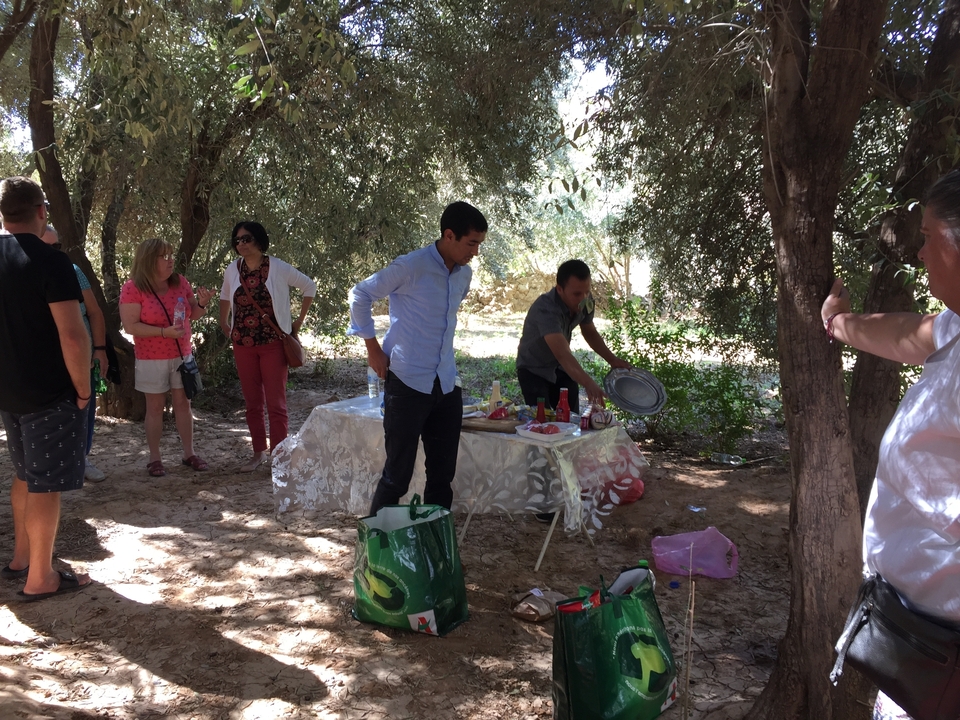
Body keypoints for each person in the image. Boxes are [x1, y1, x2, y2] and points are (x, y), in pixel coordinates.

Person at [821, 170, 960, 720]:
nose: (920, 252)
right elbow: (907, 333)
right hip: (915, 636)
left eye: (928, 236)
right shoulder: (956, 326)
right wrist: (837, 324)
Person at [348, 201, 487, 514]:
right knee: (396, 477)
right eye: (471, 243)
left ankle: (434, 552)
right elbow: (360, 294)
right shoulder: (411, 266)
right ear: (449, 235)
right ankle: (376, 553)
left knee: (441, 478)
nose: (475, 252)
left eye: (479, 244)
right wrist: (372, 349)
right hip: (407, 383)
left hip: (446, 385)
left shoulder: (464, 275)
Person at [0, 176, 93, 599]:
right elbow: (73, 337)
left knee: (24, 474)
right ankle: (41, 577)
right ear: (41, 211)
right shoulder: (53, 262)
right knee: (44, 485)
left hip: (8, 391)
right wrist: (84, 390)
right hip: (49, 393)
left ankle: (21, 557)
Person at [219, 221, 316, 472]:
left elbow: (309, 286)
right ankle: (257, 453)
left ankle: (280, 457)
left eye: (247, 238)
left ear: (259, 240)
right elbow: (225, 296)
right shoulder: (232, 269)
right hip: (243, 344)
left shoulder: (278, 267)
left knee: (276, 403)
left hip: (273, 343)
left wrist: (298, 321)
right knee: (252, 403)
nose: (242, 244)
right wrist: (224, 323)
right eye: (237, 240)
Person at [119, 238, 215, 477]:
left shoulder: (180, 282)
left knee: (184, 404)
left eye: (171, 255)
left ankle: (189, 453)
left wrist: (202, 304)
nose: (171, 260)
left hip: (182, 356)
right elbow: (130, 326)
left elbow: (193, 314)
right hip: (151, 358)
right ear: (149, 260)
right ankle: (154, 458)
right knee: (155, 407)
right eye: (165, 256)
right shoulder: (132, 288)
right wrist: (163, 332)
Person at [516, 259, 631, 414]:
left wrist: (613, 360)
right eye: (577, 294)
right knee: (541, 423)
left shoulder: (586, 301)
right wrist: (588, 383)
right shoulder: (545, 309)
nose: (583, 298)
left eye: (587, 292)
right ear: (560, 289)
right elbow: (562, 354)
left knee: (571, 420)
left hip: (562, 369)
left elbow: (589, 331)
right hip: (534, 369)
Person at [40, 224, 107, 482]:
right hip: (46, 361)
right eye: (45, 246)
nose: (51, 252)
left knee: (85, 410)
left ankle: (81, 459)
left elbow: (94, 312)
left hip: (81, 355)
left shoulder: (73, 271)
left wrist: (99, 350)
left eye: (56, 247)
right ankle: (54, 465)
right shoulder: (22, 274)